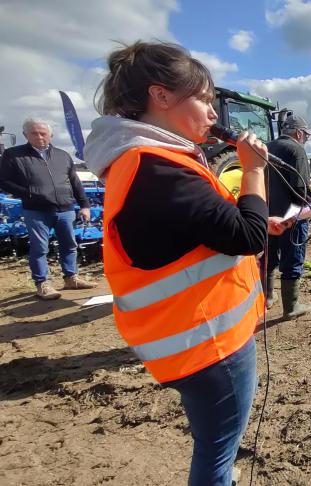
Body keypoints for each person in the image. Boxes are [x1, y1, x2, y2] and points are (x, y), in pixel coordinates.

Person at [83, 41, 267, 485]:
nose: (212, 113)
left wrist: (248, 220)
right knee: (216, 457)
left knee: (215, 446)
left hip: (194, 338)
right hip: (208, 342)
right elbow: (248, 237)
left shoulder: (147, 161)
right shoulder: (157, 167)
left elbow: (196, 229)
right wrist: (254, 170)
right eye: (203, 98)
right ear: (161, 96)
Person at [0, 118, 96, 299]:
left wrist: (84, 205)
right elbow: (4, 181)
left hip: (65, 208)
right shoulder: (14, 155)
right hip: (36, 210)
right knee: (40, 248)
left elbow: (75, 182)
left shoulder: (62, 155)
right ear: (25, 135)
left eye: (43, 133)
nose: (39, 137)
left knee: (69, 244)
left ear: (50, 135)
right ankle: (43, 284)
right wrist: (29, 193)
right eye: (34, 133)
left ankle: (71, 278)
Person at [262, 114, 311, 319]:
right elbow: (301, 186)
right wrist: (309, 206)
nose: (306, 139)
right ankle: (291, 308)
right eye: (306, 135)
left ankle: (267, 297)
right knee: (293, 259)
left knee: (269, 256)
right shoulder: (297, 150)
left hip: (268, 214)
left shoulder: (266, 147)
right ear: (299, 133)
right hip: (293, 216)